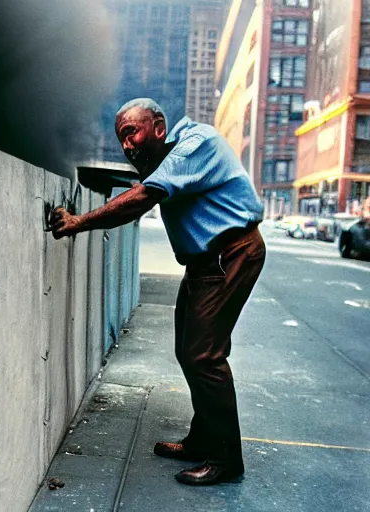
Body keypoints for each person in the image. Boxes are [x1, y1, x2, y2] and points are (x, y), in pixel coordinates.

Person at [50, 98, 265, 486]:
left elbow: (145, 196)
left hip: (229, 255)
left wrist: (78, 221)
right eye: (122, 139)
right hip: (205, 263)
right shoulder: (169, 158)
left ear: (160, 127)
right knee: (190, 351)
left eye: (132, 132)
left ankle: (226, 459)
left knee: (204, 356)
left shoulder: (195, 144)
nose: (127, 146)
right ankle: (203, 439)